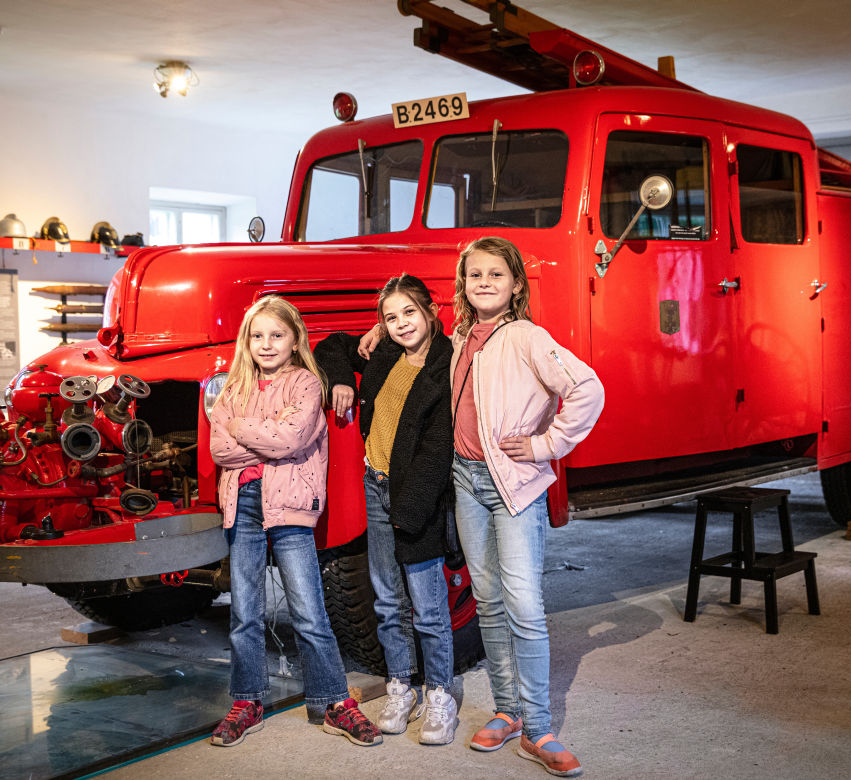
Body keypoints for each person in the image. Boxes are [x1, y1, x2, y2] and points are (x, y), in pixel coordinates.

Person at [450, 236, 603, 777]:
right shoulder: (462, 336)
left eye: (496, 274)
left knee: (525, 606)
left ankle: (539, 727)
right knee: (488, 600)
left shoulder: (526, 337)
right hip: (465, 480)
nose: (484, 283)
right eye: (475, 275)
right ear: (463, 285)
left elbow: (588, 388)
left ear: (516, 284)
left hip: (512, 484)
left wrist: (545, 446)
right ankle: (507, 710)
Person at [207, 295, 382, 749]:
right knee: (245, 611)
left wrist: (239, 426)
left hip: (289, 506)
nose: (266, 344)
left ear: (294, 339)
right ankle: (247, 700)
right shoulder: (234, 385)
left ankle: (333, 702)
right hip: (242, 503)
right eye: (257, 335)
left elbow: (288, 439)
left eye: (277, 335)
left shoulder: (306, 383)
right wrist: (260, 434)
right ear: (247, 341)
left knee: (309, 610)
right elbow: (217, 450)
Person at [315, 274, 459, 745]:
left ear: (429, 311)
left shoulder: (446, 364)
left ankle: (439, 693)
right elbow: (331, 344)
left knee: (428, 607)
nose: (401, 324)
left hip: (415, 497)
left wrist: (410, 511)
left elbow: (438, 448)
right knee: (386, 599)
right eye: (391, 317)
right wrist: (340, 380)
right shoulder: (385, 352)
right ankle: (402, 685)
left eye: (409, 313)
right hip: (375, 485)